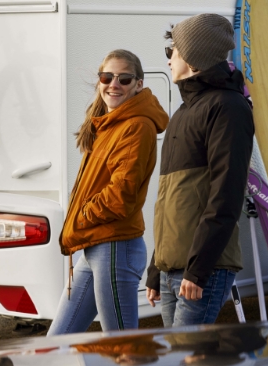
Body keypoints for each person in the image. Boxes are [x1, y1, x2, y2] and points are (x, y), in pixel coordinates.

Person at [48, 49, 169, 335]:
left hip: (115, 246)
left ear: (138, 84)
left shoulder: (136, 125)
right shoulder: (108, 123)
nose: (114, 84)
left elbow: (121, 195)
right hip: (96, 245)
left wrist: (81, 216)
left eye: (124, 79)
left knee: (122, 351)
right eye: (107, 76)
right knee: (57, 342)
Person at [145, 13, 254, 327]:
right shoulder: (182, 112)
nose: (168, 60)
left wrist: (198, 269)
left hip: (205, 267)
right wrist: (156, 268)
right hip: (172, 268)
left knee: (187, 356)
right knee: (179, 357)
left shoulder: (228, 108)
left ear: (193, 59)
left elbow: (226, 195)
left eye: (173, 52)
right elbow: (171, 202)